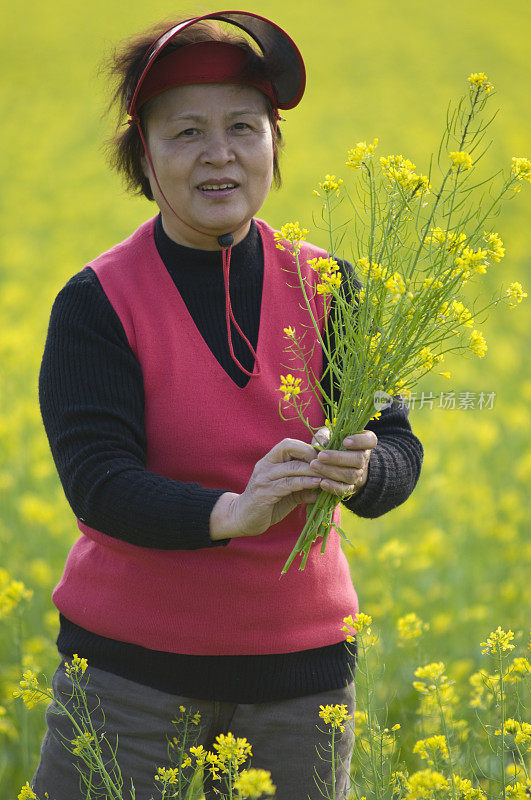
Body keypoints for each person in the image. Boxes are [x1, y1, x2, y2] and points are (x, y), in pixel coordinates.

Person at [33, 11, 423, 800]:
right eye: (185, 133)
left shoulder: (333, 287)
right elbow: (98, 483)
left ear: (274, 144)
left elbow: (397, 444)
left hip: (301, 684)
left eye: (243, 127)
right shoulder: (96, 302)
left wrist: (364, 469)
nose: (219, 154)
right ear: (143, 153)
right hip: (128, 684)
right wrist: (231, 513)